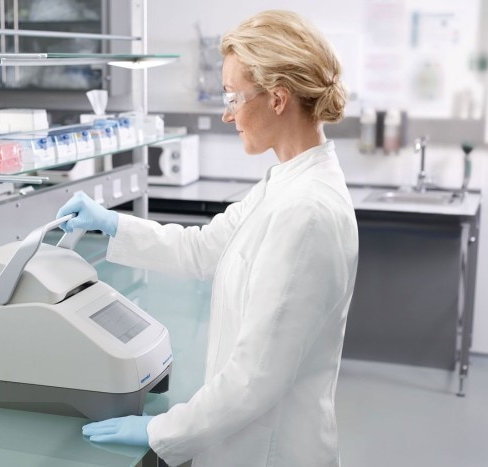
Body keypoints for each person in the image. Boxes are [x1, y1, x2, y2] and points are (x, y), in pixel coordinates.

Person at [57, 9, 359, 467]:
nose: (226, 112)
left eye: (234, 96)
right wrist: (115, 224)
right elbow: (203, 249)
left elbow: (254, 379)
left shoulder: (307, 211)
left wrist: (160, 430)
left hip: (269, 452)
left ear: (277, 99)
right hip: (241, 439)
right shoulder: (283, 185)